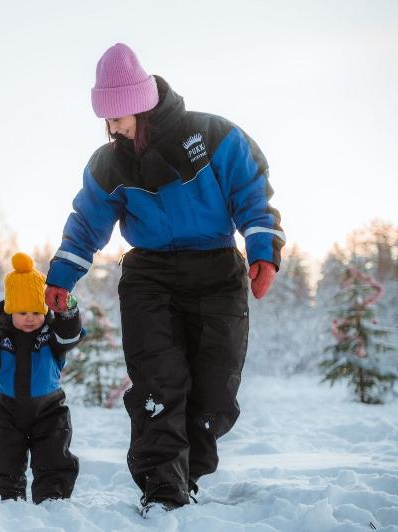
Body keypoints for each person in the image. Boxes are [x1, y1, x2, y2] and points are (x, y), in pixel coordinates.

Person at [44, 43, 285, 515]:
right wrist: (62, 275)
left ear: (139, 105)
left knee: (215, 390)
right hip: (150, 276)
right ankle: (163, 489)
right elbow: (87, 222)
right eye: (106, 119)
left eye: (117, 117)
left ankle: (187, 475)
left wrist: (263, 251)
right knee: (158, 383)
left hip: (216, 270)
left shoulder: (213, 136)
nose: (112, 126)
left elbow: (252, 192)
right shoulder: (110, 163)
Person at [0, 253, 83, 503]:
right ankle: (5, 498)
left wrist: (68, 313)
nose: (30, 317)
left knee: (54, 456)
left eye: (36, 311)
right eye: (22, 312)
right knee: (1, 455)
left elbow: (69, 336)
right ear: (10, 311)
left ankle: (53, 499)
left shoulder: (52, 336)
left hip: (49, 409)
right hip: (7, 411)